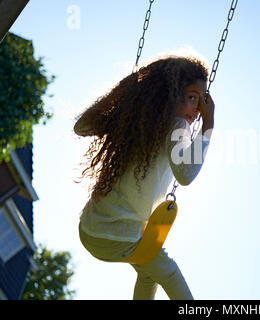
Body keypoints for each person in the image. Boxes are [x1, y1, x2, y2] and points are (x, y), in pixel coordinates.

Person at [73, 55, 215, 300]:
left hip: (92, 229)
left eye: (202, 102)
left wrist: (119, 93)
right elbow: (186, 174)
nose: (198, 109)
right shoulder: (176, 125)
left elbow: (81, 127)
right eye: (192, 98)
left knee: (149, 271)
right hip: (119, 235)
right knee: (169, 273)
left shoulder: (134, 119)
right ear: (168, 95)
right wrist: (209, 123)